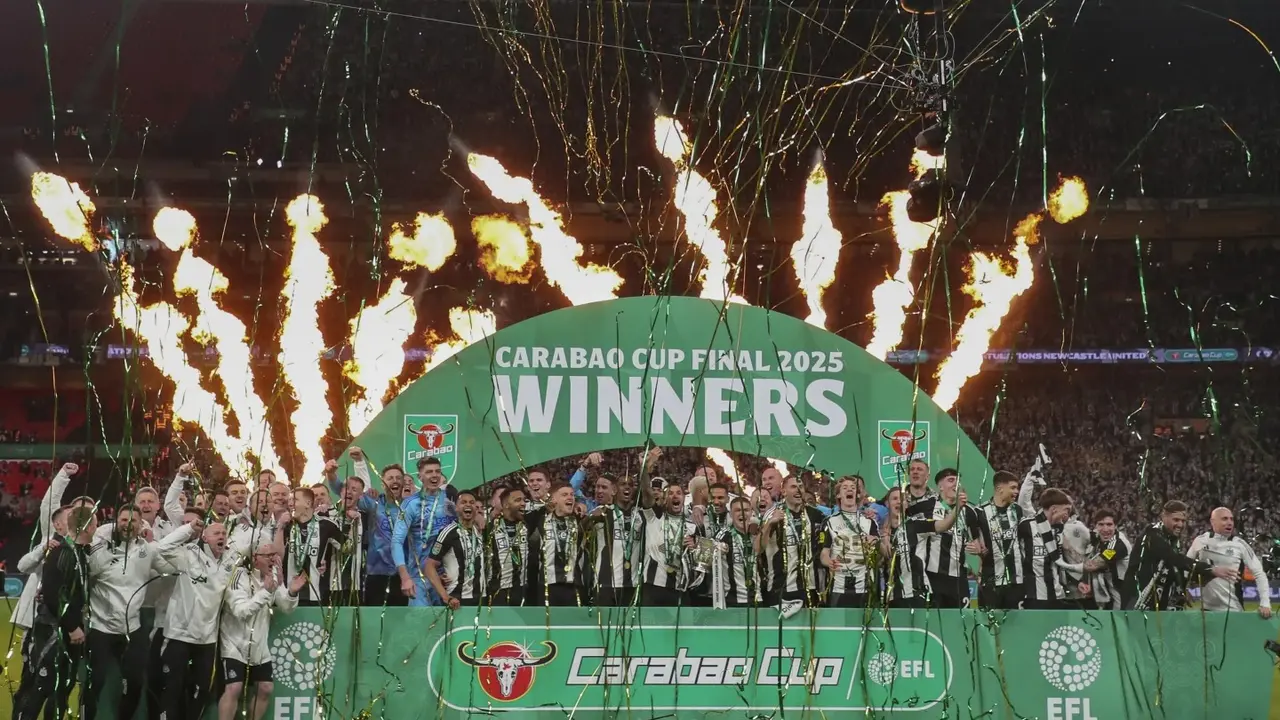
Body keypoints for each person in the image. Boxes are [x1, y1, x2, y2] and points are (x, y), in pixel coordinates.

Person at [84, 504, 189, 720]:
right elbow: (89, 571)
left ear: (141, 524)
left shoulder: (148, 550)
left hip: (132, 627)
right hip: (100, 626)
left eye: (133, 521)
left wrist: (189, 558)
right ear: (116, 522)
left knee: (135, 683)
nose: (127, 524)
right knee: (95, 681)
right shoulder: (101, 547)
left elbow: (170, 568)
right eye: (124, 520)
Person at [13, 504, 96, 720]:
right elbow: (51, 593)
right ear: (87, 526)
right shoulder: (60, 551)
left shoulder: (81, 554)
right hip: (52, 630)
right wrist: (72, 627)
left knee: (62, 688)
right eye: (95, 523)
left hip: (68, 632)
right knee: (41, 686)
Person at [153, 511, 232, 720]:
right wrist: (188, 529)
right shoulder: (189, 554)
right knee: (173, 687)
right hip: (179, 634)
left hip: (207, 639)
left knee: (202, 690)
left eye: (224, 533)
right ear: (204, 537)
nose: (221, 536)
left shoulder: (231, 563)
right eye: (216, 533)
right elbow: (163, 547)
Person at [217, 540, 306, 720]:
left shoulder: (273, 576)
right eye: (268, 556)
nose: (273, 559)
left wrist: (292, 593)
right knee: (234, 688)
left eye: (275, 555)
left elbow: (286, 607)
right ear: (254, 558)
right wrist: (266, 591)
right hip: (234, 644)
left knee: (265, 687)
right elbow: (241, 611)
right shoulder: (238, 575)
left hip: (259, 646)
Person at [11, 462, 77, 655]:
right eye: (71, 515)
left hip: (70, 618)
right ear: (57, 524)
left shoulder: (86, 545)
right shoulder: (50, 538)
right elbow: (49, 504)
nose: (76, 518)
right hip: (38, 614)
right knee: (33, 661)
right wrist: (63, 475)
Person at [1125, 500, 1237, 610]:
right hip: (1136, 596)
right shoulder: (1152, 534)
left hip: (1155, 600)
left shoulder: (1173, 540)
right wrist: (1210, 569)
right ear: (1164, 517)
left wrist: (1181, 591)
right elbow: (1174, 558)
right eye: (1176, 520)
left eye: (1183, 521)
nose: (1180, 525)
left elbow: (1173, 568)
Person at [906, 469, 980, 609]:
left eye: (958, 481)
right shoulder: (927, 507)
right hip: (933, 576)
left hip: (959, 579)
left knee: (961, 620)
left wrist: (977, 549)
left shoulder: (969, 511)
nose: (956, 484)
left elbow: (977, 543)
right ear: (940, 487)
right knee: (935, 620)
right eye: (951, 480)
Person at [1018, 488, 1101, 609]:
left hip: (1057, 594)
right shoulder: (1026, 525)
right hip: (1034, 596)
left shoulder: (1059, 529)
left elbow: (1060, 562)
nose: (1067, 514)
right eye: (1066, 509)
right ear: (1054, 509)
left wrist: (1076, 582)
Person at [1187, 507, 1272, 618]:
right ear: (1212, 521)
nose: (1230, 522)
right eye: (1224, 519)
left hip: (1233, 610)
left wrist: (1265, 603)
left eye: (1231, 519)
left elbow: (1259, 573)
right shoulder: (1200, 540)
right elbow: (1186, 565)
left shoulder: (1240, 544)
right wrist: (1185, 589)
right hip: (1206, 611)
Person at [394, 457, 456, 606]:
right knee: (421, 619)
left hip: (446, 578)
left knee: (447, 620)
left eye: (437, 471)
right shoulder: (410, 504)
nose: (434, 475)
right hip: (419, 578)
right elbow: (396, 541)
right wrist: (404, 577)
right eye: (429, 472)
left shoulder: (450, 500)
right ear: (420, 477)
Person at [638, 476, 698, 607]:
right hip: (653, 587)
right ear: (664, 499)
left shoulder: (693, 527)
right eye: (670, 493)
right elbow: (646, 493)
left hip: (680, 588)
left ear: (684, 499)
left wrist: (695, 548)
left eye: (679, 493)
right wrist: (645, 470)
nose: (675, 496)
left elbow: (702, 562)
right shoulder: (653, 517)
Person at [819, 477, 878, 608]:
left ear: (858, 495)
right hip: (838, 584)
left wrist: (874, 542)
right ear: (839, 495)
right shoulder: (829, 522)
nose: (849, 490)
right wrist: (828, 561)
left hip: (864, 583)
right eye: (845, 488)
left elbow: (879, 554)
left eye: (853, 488)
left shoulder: (869, 521)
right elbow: (824, 552)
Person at [586, 475, 644, 607]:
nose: (627, 487)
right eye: (623, 484)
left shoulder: (641, 515)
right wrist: (589, 518)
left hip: (632, 585)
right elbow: (580, 531)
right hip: (605, 584)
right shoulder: (603, 512)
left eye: (630, 484)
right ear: (615, 489)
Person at [280, 487, 344, 606]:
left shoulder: (327, 525)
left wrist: (327, 562)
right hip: (287, 594)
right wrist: (279, 527)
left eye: (294, 500)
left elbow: (348, 549)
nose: (290, 503)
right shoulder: (286, 526)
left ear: (308, 503)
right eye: (289, 500)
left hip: (316, 595)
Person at [971, 472, 1027, 609]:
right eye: (1013, 488)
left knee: (1016, 620)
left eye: (1017, 488)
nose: (1016, 492)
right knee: (990, 620)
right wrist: (974, 549)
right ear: (999, 488)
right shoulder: (980, 512)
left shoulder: (1017, 510)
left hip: (1016, 580)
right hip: (990, 579)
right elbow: (974, 540)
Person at [527, 483, 586, 606]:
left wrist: (582, 506)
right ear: (554, 500)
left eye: (572, 495)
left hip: (574, 585)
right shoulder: (540, 521)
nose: (570, 497)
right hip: (547, 586)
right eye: (564, 495)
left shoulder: (580, 521)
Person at [426, 489, 486, 608]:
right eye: (463, 502)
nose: (468, 505)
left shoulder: (479, 532)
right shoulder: (448, 532)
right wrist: (445, 596)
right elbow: (429, 567)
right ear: (456, 508)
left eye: (472, 502)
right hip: (457, 599)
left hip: (481, 599)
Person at [483, 486, 531, 605]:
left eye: (524, 500)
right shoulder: (489, 529)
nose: (523, 503)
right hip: (498, 591)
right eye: (518, 500)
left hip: (523, 590)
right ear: (506, 505)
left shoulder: (527, 524)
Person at [712, 496, 762, 608]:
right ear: (730, 514)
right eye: (738, 510)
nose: (742, 513)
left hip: (758, 598)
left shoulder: (757, 534)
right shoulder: (723, 536)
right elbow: (706, 560)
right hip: (733, 600)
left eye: (746, 510)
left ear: (751, 513)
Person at [1089, 508, 1131, 610]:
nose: (1105, 529)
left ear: (1115, 526)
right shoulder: (1098, 537)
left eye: (1109, 524)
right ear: (1095, 526)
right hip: (1107, 593)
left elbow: (1093, 565)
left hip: (1121, 595)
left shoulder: (1118, 544)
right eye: (1101, 524)